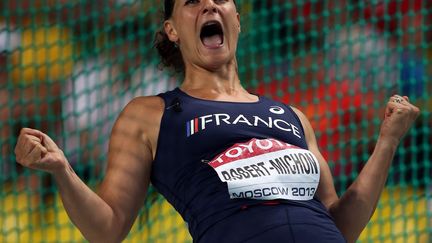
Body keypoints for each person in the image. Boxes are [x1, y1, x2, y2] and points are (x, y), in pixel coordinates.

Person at [14, 0, 420, 242]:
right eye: (191, 1)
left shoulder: (292, 116)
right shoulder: (151, 113)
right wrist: (62, 170)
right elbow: (108, 229)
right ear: (172, 30)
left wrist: (387, 141)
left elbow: (340, 226)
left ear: (237, 18)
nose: (208, 4)